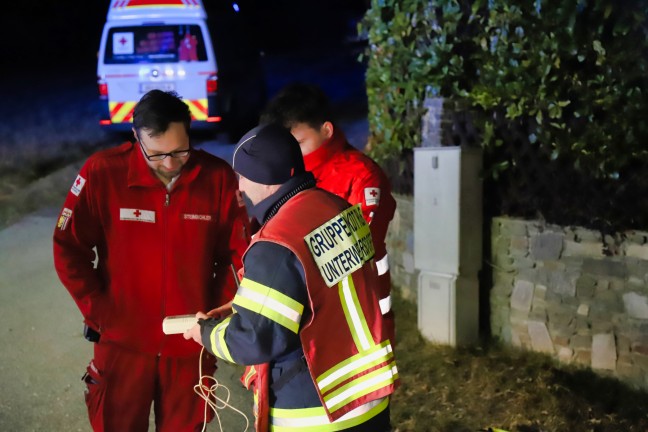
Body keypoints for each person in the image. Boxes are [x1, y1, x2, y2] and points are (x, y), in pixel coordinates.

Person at [53, 89, 250, 431]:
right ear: (135, 138)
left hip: (191, 342)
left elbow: (240, 257)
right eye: (156, 154)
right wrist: (100, 313)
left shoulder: (217, 179)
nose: (170, 164)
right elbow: (68, 247)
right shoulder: (103, 173)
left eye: (180, 151)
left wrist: (216, 313)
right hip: (121, 344)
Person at [184, 123, 399, 432]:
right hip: (367, 398)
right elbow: (313, 288)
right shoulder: (336, 207)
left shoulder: (276, 242)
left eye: (242, 176)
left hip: (315, 411)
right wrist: (238, 306)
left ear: (265, 178)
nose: (239, 187)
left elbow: (253, 340)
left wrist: (205, 332)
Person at [260, 83, 397, 344]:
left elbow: (359, 246)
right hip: (301, 313)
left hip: (360, 316)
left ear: (326, 130)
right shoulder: (284, 177)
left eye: (299, 143)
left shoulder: (362, 175)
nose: (292, 155)